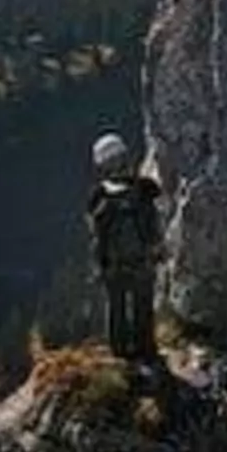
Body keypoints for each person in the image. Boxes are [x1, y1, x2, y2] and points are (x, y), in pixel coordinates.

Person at [85, 133, 163, 364]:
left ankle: (120, 353)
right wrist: (157, 250)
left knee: (116, 307)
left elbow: (96, 232)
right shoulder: (145, 188)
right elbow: (154, 217)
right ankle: (146, 350)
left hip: (114, 264)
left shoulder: (98, 195)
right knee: (143, 305)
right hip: (142, 260)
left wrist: (100, 263)